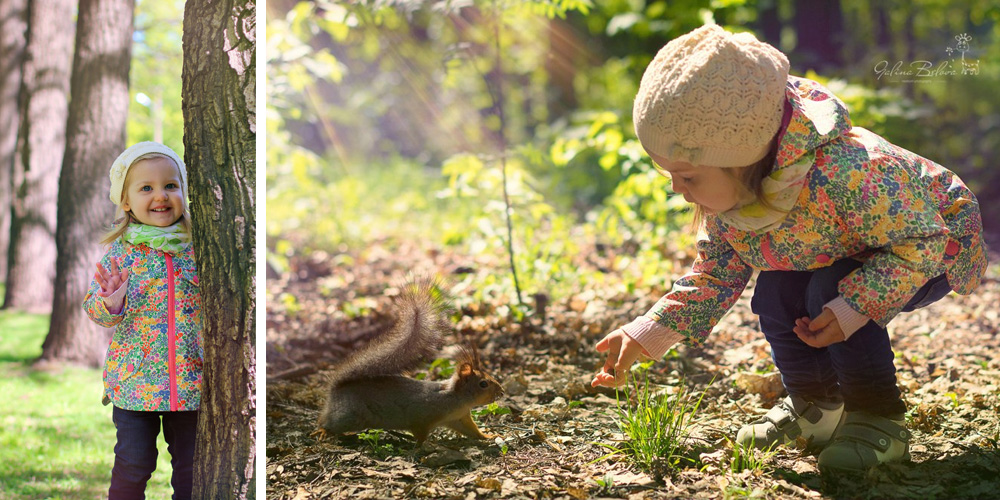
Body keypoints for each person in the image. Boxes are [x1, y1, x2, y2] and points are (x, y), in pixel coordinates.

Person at [591, 24, 986, 472]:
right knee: (777, 292)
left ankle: (879, 418)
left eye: (689, 176)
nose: (679, 191)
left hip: (932, 239)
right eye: (671, 177)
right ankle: (816, 406)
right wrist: (649, 331)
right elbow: (715, 274)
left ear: (741, 158)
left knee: (832, 291)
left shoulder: (849, 172)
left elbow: (923, 240)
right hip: (841, 244)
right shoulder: (733, 200)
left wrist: (853, 308)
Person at [83, 142, 203, 499]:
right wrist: (111, 300)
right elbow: (95, 310)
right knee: (134, 463)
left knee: (192, 470)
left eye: (170, 185)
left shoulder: (199, 248)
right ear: (126, 201)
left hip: (191, 380)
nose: (160, 196)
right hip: (135, 382)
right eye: (146, 188)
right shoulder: (121, 252)